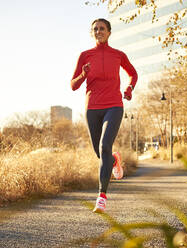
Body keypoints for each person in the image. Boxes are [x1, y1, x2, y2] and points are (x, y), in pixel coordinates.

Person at [70, 18, 138, 213]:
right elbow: (73, 86)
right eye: (95, 29)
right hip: (92, 108)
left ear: (109, 32)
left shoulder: (118, 55)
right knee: (100, 153)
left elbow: (133, 74)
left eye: (102, 28)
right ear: (92, 33)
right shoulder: (85, 55)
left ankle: (102, 196)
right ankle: (115, 160)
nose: (98, 31)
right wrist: (83, 74)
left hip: (114, 106)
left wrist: (130, 88)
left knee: (104, 145)